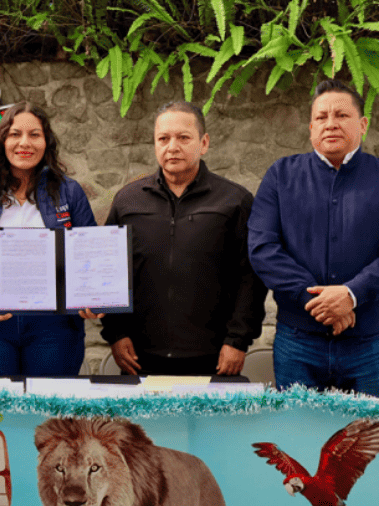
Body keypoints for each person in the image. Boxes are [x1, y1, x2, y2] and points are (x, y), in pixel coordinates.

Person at [248, 79, 379, 396]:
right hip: (298, 342)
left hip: (368, 343)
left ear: (362, 124)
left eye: (341, 115)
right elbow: (263, 249)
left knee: (365, 439)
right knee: (298, 439)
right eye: (322, 117)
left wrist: (351, 295)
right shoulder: (281, 176)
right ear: (311, 127)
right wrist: (318, 302)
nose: (331, 124)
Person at [100, 102, 266, 376]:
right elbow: (108, 273)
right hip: (140, 356)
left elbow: (250, 277)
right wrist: (116, 334)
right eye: (163, 139)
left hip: (214, 356)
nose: (172, 147)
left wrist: (238, 340)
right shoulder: (128, 201)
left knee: (208, 422)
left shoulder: (235, 201)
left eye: (183, 138)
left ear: (204, 143)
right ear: (154, 144)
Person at [0, 102, 97, 376]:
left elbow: (89, 254)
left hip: (54, 327)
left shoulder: (69, 192)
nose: (24, 143)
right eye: (15, 134)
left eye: (34, 135)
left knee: (50, 413)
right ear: (3, 140)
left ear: (46, 141)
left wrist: (91, 296)